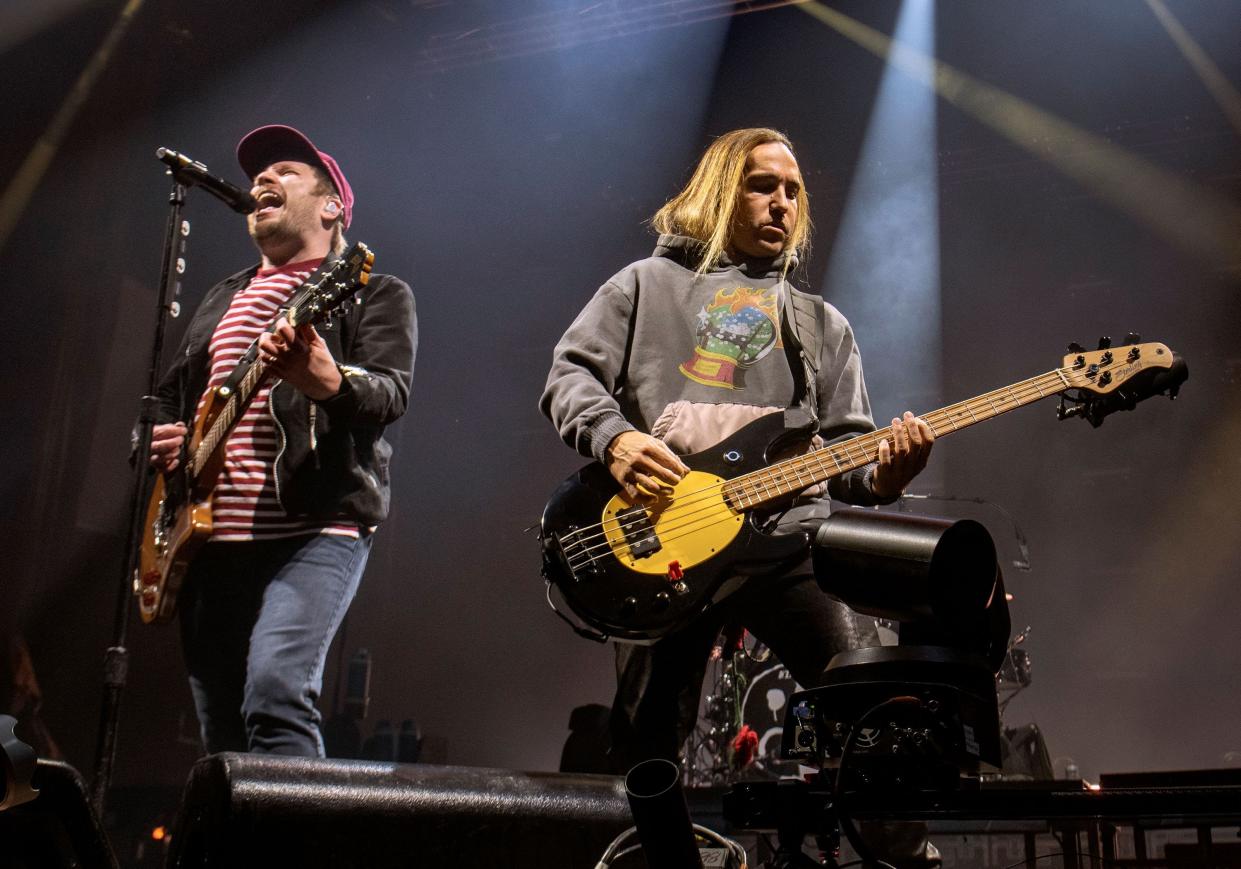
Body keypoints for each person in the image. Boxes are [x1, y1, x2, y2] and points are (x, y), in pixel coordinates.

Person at [539, 128, 935, 774]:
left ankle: (896, 848)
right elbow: (569, 376)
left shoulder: (820, 323)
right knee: (645, 755)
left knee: (874, 714)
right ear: (722, 190)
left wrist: (882, 475)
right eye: (762, 185)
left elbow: (847, 452)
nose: (781, 201)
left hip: (789, 540)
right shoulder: (643, 284)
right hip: (668, 537)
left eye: (792, 191)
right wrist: (615, 439)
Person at [149, 125, 417, 756]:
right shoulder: (224, 295)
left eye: (285, 172)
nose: (262, 180)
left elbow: (389, 393)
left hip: (316, 528)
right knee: (219, 734)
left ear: (332, 207)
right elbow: (166, 399)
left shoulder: (370, 290)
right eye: (257, 176)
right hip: (209, 538)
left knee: (275, 694)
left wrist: (329, 382)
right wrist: (162, 441)